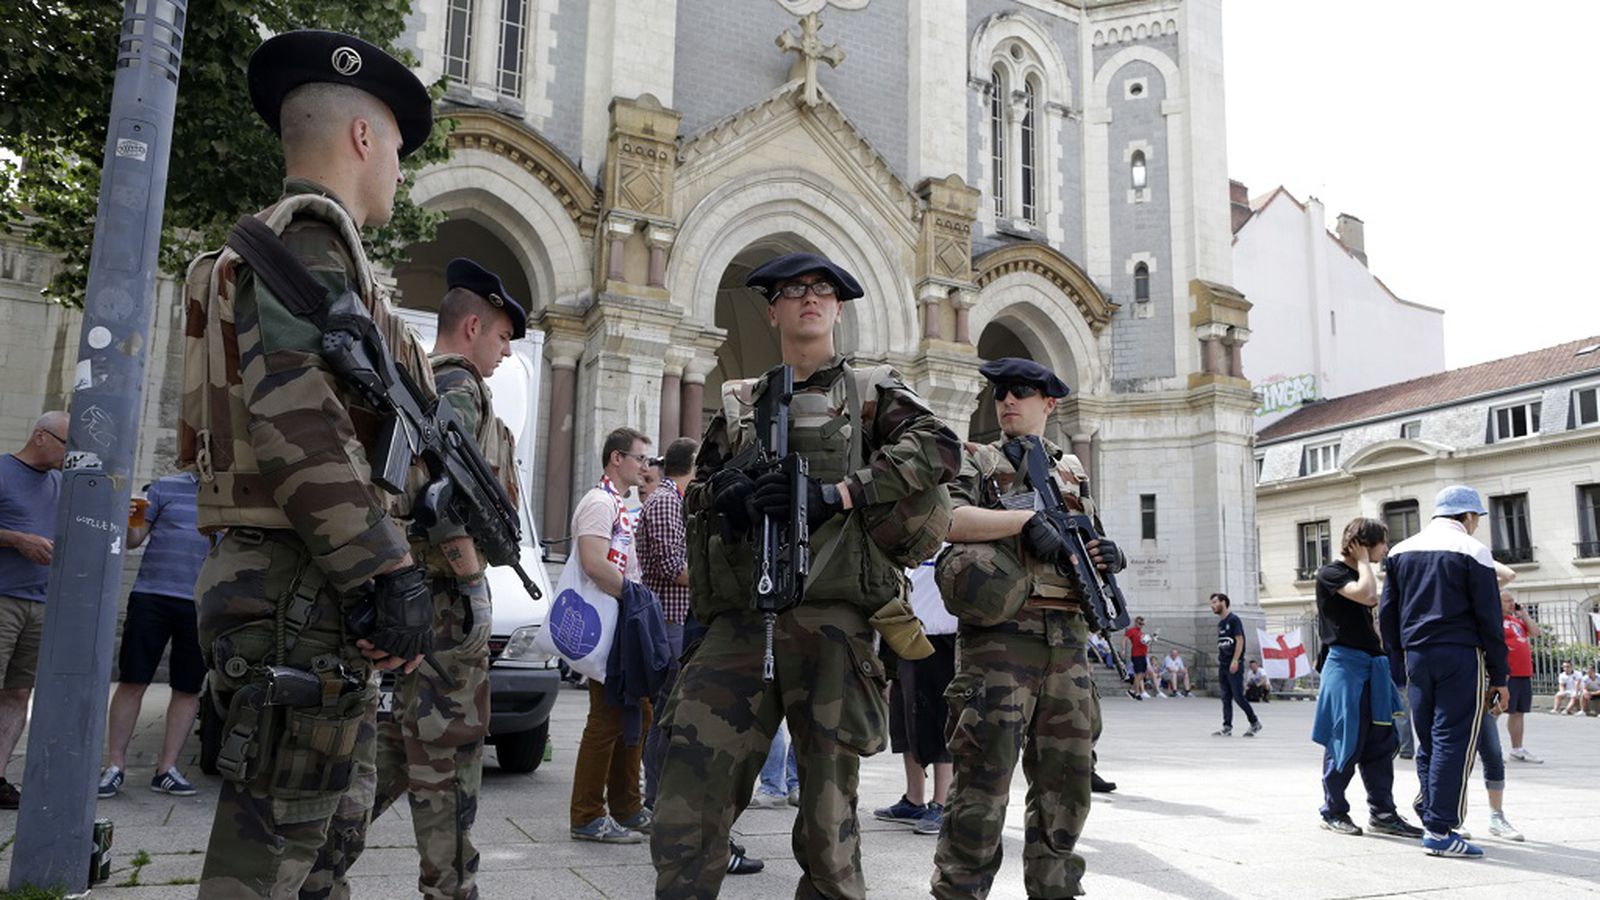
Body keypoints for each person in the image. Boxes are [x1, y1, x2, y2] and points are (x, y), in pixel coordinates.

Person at [180, 29, 442, 895]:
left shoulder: (309, 251)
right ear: (363, 137)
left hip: (305, 579)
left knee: (325, 838)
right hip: (297, 580)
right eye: (396, 148)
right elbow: (295, 412)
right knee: (270, 854)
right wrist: (386, 569)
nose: (398, 171)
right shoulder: (309, 239)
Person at [653, 251, 960, 899]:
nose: (809, 298)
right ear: (773, 311)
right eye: (793, 290)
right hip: (741, 622)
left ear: (838, 308)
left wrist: (838, 494)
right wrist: (729, 495)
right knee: (690, 791)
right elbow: (694, 493)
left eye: (821, 289)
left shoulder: (871, 391)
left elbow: (939, 448)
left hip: (834, 621)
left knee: (827, 817)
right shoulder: (741, 403)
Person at [303, 258, 527, 899]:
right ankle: (450, 889)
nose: (507, 353)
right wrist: (470, 581)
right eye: (502, 337)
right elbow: (441, 487)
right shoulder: (458, 385)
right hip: (444, 596)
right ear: (474, 326)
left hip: (425, 593)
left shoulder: (436, 382)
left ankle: (316, 867)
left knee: (405, 748)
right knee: (451, 754)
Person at [931, 357, 1126, 900]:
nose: (1008, 401)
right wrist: (1023, 521)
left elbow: (1085, 537)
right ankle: (959, 890)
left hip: (1067, 640)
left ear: (1050, 402)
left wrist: (1108, 553)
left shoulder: (1072, 471)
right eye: (1000, 393)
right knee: (982, 781)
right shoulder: (977, 458)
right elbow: (948, 520)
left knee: (1068, 781)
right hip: (1001, 639)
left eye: (1020, 391)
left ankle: (1056, 886)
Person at [1380, 485, 1509, 859]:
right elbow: (1489, 619)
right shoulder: (1473, 550)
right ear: (1466, 516)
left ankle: (1430, 809)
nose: (1476, 524)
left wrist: (1397, 661)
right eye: (1476, 518)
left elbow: (1387, 613)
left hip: (1416, 654)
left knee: (1429, 739)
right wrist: (1500, 676)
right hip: (1460, 653)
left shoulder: (1400, 551)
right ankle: (1439, 829)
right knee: (1454, 739)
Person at [98, 472, 212, 800]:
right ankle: (115, 765)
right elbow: (134, 540)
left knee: (188, 687)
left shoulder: (233, 491)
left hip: (202, 602)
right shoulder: (166, 486)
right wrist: (128, 513)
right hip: (152, 596)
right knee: (132, 681)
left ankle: (166, 769)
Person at [1311, 517, 1423, 839]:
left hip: (1372, 665)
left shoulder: (1360, 573)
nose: (1385, 549)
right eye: (1382, 542)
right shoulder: (1331, 573)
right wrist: (1362, 561)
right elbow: (1369, 596)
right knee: (1345, 738)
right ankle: (1333, 810)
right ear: (1363, 544)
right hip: (1345, 665)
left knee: (1380, 741)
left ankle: (1383, 813)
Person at [569, 427, 655, 844]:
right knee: (607, 718)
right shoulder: (599, 503)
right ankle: (587, 814)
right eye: (640, 458)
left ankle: (627, 806)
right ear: (617, 458)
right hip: (612, 621)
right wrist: (635, 595)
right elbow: (593, 562)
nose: (645, 467)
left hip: (621, 619)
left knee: (636, 712)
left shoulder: (616, 503)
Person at [0, 410, 68, 809]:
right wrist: (16, 539)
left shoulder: (60, 483)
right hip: (3, 597)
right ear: (40, 436)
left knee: (17, 692)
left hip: (41, 602)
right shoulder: (3, 471)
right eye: (66, 445)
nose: (70, 455)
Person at [873, 557, 958, 836]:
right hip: (906, 632)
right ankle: (914, 799)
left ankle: (942, 802)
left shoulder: (956, 535)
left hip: (944, 636)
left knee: (941, 719)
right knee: (904, 719)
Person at [639, 436, 697, 811]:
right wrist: (714, 574)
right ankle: (655, 798)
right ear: (691, 465)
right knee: (665, 713)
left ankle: (659, 796)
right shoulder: (665, 501)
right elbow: (673, 568)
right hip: (668, 619)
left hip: (675, 619)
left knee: (669, 712)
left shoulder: (673, 500)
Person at [1498, 591, 1542, 761]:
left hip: (1523, 671)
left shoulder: (1516, 621)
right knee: (1496, 710)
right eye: (1507, 601)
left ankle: (1517, 748)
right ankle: (1486, 747)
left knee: (1518, 712)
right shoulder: (1495, 620)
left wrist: (1524, 614)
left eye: (1512, 601)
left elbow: (1535, 632)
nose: (1511, 604)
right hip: (1507, 673)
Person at [1211, 593, 1262, 737]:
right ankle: (1227, 726)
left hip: (1234, 664)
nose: (1212, 606)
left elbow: (1239, 640)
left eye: (1215, 602)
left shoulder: (1234, 620)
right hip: (1223, 665)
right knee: (1225, 697)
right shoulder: (1221, 624)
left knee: (1238, 696)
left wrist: (1235, 660)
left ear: (1223, 602)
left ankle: (1254, 722)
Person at [1123, 615, 1153, 699]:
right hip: (1136, 655)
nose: (1141, 625)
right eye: (1139, 623)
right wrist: (1123, 649)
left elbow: (1145, 642)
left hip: (1143, 655)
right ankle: (1137, 693)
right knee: (1138, 674)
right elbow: (1124, 639)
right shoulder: (1131, 630)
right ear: (1135, 622)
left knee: (1142, 674)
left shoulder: (1141, 633)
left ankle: (1132, 690)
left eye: (1142, 624)